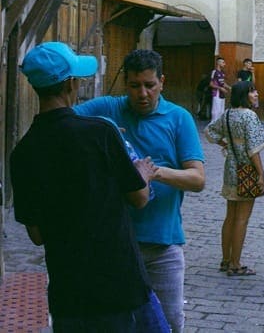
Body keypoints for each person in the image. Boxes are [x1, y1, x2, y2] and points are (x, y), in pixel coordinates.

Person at [11, 42, 169, 332]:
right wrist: (143, 172)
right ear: (70, 83)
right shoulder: (100, 132)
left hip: (68, 294)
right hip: (121, 286)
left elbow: (36, 235)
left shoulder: (23, 153)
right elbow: (139, 198)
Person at [74, 48, 205, 333]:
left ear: (162, 82)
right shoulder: (108, 109)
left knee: (169, 323)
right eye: (135, 86)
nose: (142, 94)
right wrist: (100, 137)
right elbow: (65, 122)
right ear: (126, 85)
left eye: (150, 85)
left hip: (162, 246)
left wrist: (153, 172)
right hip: (114, 244)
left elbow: (197, 179)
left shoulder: (178, 118)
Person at [204, 81, 264, 276]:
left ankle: (225, 259)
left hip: (231, 168)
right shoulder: (250, 116)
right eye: (252, 92)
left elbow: (209, 132)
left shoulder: (228, 114)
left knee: (230, 217)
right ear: (244, 95)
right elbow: (253, 149)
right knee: (242, 219)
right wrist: (261, 174)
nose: (256, 94)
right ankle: (236, 263)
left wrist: (227, 144)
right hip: (247, 169)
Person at [210, 56, 230, 123]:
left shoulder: (222, 73)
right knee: (216, 111)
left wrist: (230, 87)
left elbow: (223, 83)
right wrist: (220, 88)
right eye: (223, 62)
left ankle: (219, 126)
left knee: (221, 111)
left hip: (222, 94)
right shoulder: (214, 72)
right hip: (216, 94)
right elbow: (211, 84)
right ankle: (212, 125)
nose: (225, 64)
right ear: (218, 63)